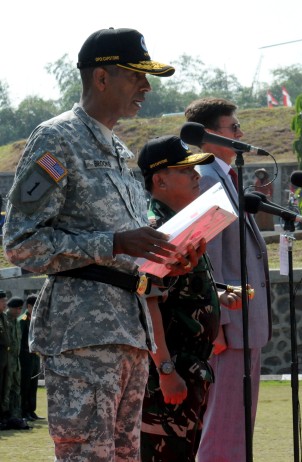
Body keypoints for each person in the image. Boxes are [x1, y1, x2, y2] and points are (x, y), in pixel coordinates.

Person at [1, 28, 199, 460]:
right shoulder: (56, 142)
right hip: (82, 335)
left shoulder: (120, 152)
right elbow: (21, 244)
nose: (146, 87)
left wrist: (170, 259)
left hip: (128, 330)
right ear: (102, 78)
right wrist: (112, 242)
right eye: (136, 76)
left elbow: (129, 246)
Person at [136, 135, 239, 461]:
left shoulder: (180, 223)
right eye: (185, 170)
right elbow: (146, 302)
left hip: (190, 367)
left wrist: (217, 295)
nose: (196, 176)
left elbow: (175, 289)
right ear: (160, 179)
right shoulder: (155, 229)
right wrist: (165, 371)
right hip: (168, 375)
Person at [184, 97, 272, 462]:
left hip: (243, 323)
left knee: (236, 426)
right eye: (233, 128)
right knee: (223, 428)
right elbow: (209, 258)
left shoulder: (223, 176)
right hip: (229, 326)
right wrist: (215, 325)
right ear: (208, 135)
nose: (241, 134)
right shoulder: (206, 179)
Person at [19, 294, 42, 422]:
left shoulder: (35, 320)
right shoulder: (23, 320)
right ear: (28, 306)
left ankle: (32, 410)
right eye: (35, 306)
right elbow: (20, 341)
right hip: (26, 357)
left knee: (33, 385)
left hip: (35, 357)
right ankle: (24, 411)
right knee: (25, 385)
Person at [4, 297, 24, 426]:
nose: (18, 311)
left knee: (16, 390)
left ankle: (15, 416)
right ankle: (5, 417)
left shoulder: (16, 321)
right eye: (16, 308)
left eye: (20, 308)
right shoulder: (4, 320)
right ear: (9, 307)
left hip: (15, 362)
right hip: (6, 362)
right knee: (5, 390)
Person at [0, 291, 8, 426]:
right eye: (3, 301)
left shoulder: (3, 317)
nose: (5, 303)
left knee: (3, 388)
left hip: (4, 358)